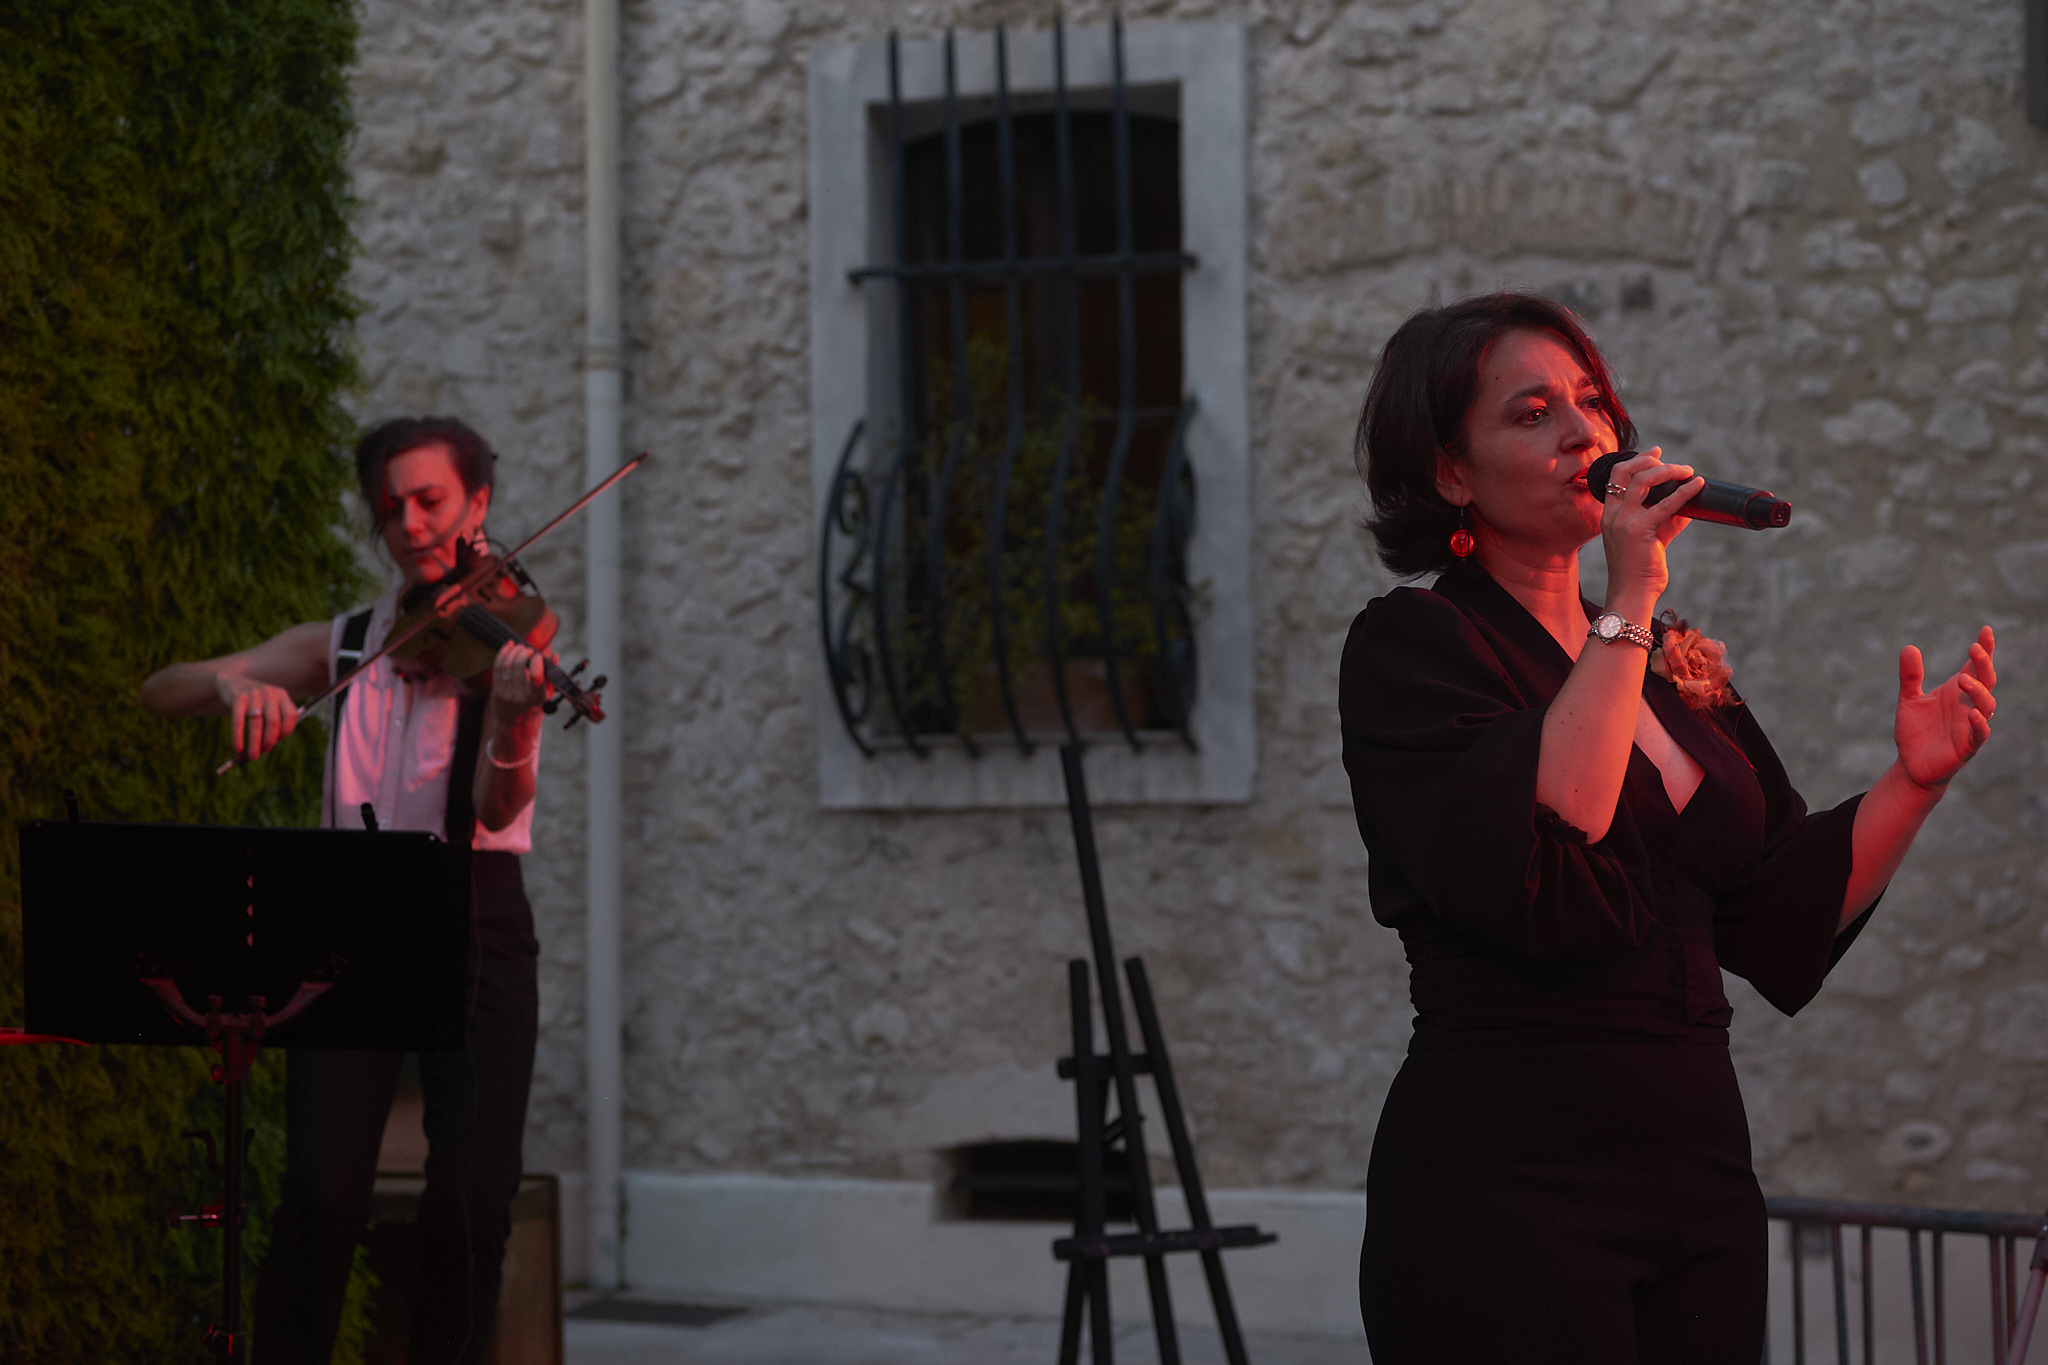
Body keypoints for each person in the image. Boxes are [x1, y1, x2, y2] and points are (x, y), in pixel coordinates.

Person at [1340, 294, 1998, 1362]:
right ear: (1451, 473)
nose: (1582, 433)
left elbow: (1775, 909)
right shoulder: (1416, 646)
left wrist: (1913, 784)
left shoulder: (1660, 658)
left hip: (1698, 1172)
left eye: (1591, 402)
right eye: (1532, 414)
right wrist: (1630, 597)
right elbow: (1554, 830)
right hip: (1508, 1177)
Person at [139, 417, 550, 1365]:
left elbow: (497, 806)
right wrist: (233, 687)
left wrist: (517, 724)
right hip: (347, 916)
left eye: (431, 500)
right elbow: (160, 689)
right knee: (321, 1191)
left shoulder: (503, 638)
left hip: (475, 913)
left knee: (471, 1200)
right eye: (391, 507)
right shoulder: (348, 644)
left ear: (478, 503)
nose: (411, 524)